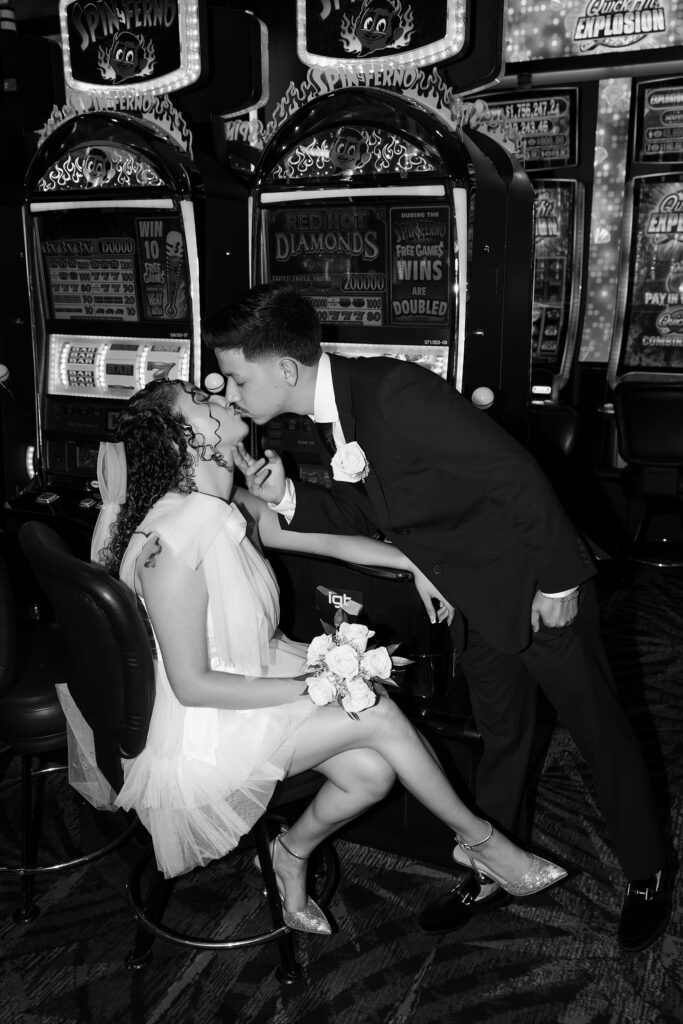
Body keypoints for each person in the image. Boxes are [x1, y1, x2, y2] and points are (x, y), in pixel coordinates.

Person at [202, 283, 672, 952]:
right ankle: (490, 867)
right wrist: (287, 499)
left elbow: (514, 476)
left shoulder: (391, 392)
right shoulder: (331, 413)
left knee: (598, 730)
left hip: (535, 588)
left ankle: (647, 870)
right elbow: (377, 513)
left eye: (238, 377)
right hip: (471, 600)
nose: (230, 390)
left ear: (283, 370)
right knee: (502, 738)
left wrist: (559, 580)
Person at [62, 377, 566, 936]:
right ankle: (482, 844)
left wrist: (416, 564)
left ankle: (289, 853)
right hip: (205, 733)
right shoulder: (175, 542)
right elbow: (193, 687)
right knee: (372, 709)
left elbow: (322, 541)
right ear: (190, 440)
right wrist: (309, 685)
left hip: (249, 682)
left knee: (372, 773)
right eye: (202, 403)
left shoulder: (219, 503)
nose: (220, 397)